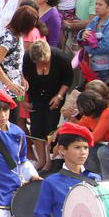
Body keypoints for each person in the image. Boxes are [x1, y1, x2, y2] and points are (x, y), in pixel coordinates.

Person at [22, 40, 73, 171]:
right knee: (35, 128)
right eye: (38, 63)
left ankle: (50, 161)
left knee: (50, 128)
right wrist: (22, 99)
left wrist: (59, 96)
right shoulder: (28, 58)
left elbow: (68, 78)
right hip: (35, 95)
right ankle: (42, 160)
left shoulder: (60, 57)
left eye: (44, 61)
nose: (41, 64)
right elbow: (20, 79)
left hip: (55, 95)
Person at [81, 0, 109, 80]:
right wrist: (82, 35)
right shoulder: (95, 20)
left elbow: (105, 47)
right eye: (96, 4)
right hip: (91, 64)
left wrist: (87, 46)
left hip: (104, 67)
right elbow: (85, 35)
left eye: (100, 4)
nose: (96, 7)